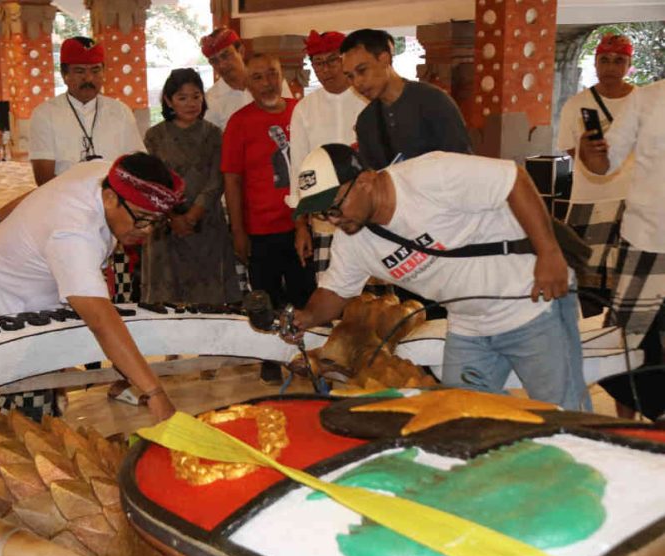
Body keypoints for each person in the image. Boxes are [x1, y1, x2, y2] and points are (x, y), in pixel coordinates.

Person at [288, 144, 591, 411]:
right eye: (321, 215)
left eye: (334, 208)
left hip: (531, 305)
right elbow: (334, 292)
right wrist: (304, 318)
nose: (332, 221)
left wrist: (550, 254)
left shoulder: (430, 176)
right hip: (468, 326)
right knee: (462, 417)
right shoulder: (352, 240)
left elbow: (514, 180)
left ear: (365, 181)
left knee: (563, 415)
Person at [0, 153, 183, 422]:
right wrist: (155, 393)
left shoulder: (102, 172)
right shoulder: (74, 233)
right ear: (110, 198)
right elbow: (101, 321)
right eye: (142, 218)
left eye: (156, 222)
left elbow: (44, 190)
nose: (147, 231)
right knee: (30, 398)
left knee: (52, 362)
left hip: (39, 281)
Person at [222, 53, 316, 385]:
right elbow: (231, 180)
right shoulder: (240, 122)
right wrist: (238, 231)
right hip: (259, 228)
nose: (267, 83)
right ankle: (269, 357)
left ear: (283, 75)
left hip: (299, 225)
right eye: (258, 77)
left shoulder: (301, 112)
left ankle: (306, 354)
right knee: (265, 298)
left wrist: (305, 219)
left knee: (305, 294)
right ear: (248, 84)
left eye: (273, 74)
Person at [579, 78, 665, 420]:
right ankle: (623, 433)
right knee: (627, 344)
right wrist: (589, 154)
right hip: (645, 239)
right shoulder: (646, 98)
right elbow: (604, 164)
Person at [141, 68, 240, 305]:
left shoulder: (214, 134)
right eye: (182, 98)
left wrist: (194, 214)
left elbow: (217, 179)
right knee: (167, 302)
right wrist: (174, 216)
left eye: (196, 96)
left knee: (209, 303)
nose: (191, 103)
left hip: (206, 226)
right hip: (166, 228)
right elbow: (151, 183)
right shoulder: (154, 136)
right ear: (168, 100)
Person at [557, 34, 636, 304]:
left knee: (630, 278)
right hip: (587, 198)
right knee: (582, 279)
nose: (611, 66)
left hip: (634, 200)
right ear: (595, 63)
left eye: (619, 60)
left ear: (629, 65)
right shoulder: (576, 104)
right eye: (605, 59)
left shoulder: (645, 102)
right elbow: (571, 150)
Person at [288, 30, 367, 279]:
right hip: (325, 219)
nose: (327, 69)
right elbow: (299, 169)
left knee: (372, 301)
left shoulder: (368, 101)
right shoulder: (304, 109)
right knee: (331, 289)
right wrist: (301, 226)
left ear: (345, 59)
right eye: (318, 62)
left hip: (369, 215)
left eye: (333, 60)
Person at [341, 29, 471, 170]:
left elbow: (462, 163)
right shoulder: (366, 121)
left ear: (385, 59)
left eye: (362, 70)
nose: (357, 83)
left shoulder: (432, 101)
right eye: (350, 76)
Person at [29, 36, 144, 186]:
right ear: (64, 75)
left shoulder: (121, 111)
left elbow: (137, 166)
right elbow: (44, 180)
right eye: (80, 71)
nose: (89, 78)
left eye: (96, 70)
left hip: (114, 200)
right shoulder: (45, 114)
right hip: (65, 199)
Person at [200, 27, 294, 131]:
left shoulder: (272, 82)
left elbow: (291, 118)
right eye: (214, 61)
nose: (221, 65)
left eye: (226, 55)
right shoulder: (211, 100)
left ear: (241, 51)